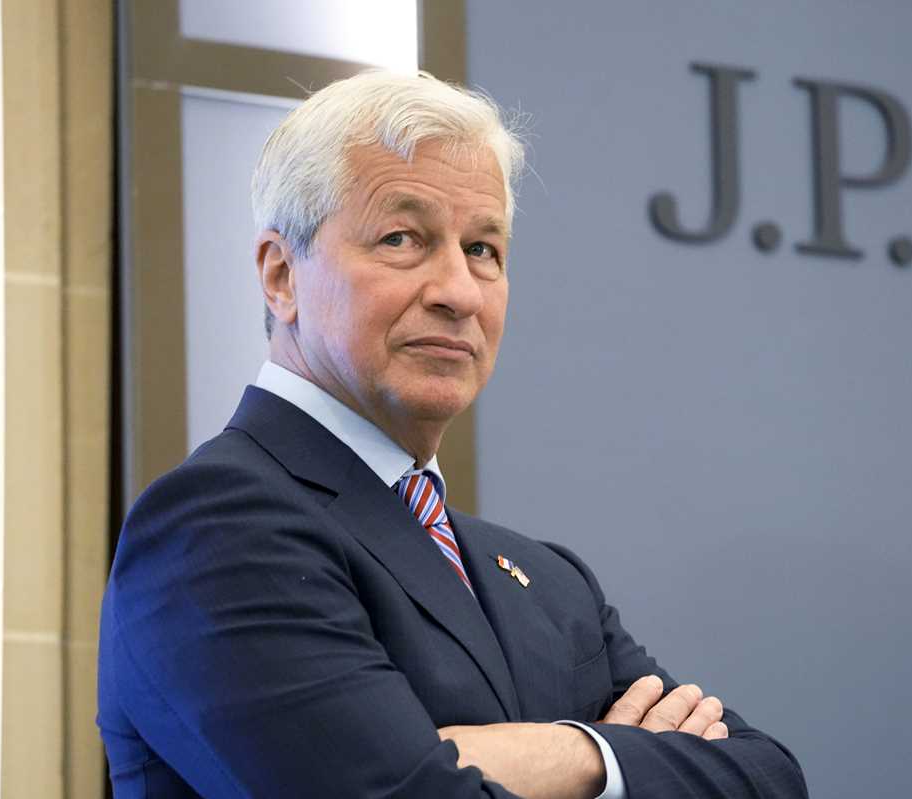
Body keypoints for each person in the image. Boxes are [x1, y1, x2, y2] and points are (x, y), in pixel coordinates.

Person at [97, 70, 808, 799]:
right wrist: (627, 762)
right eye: (402, 239)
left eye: (483, 250)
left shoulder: (550, 584)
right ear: (282, 276)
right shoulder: (216, 526)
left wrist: (577, 752)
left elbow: (770, 778)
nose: (460, 292)